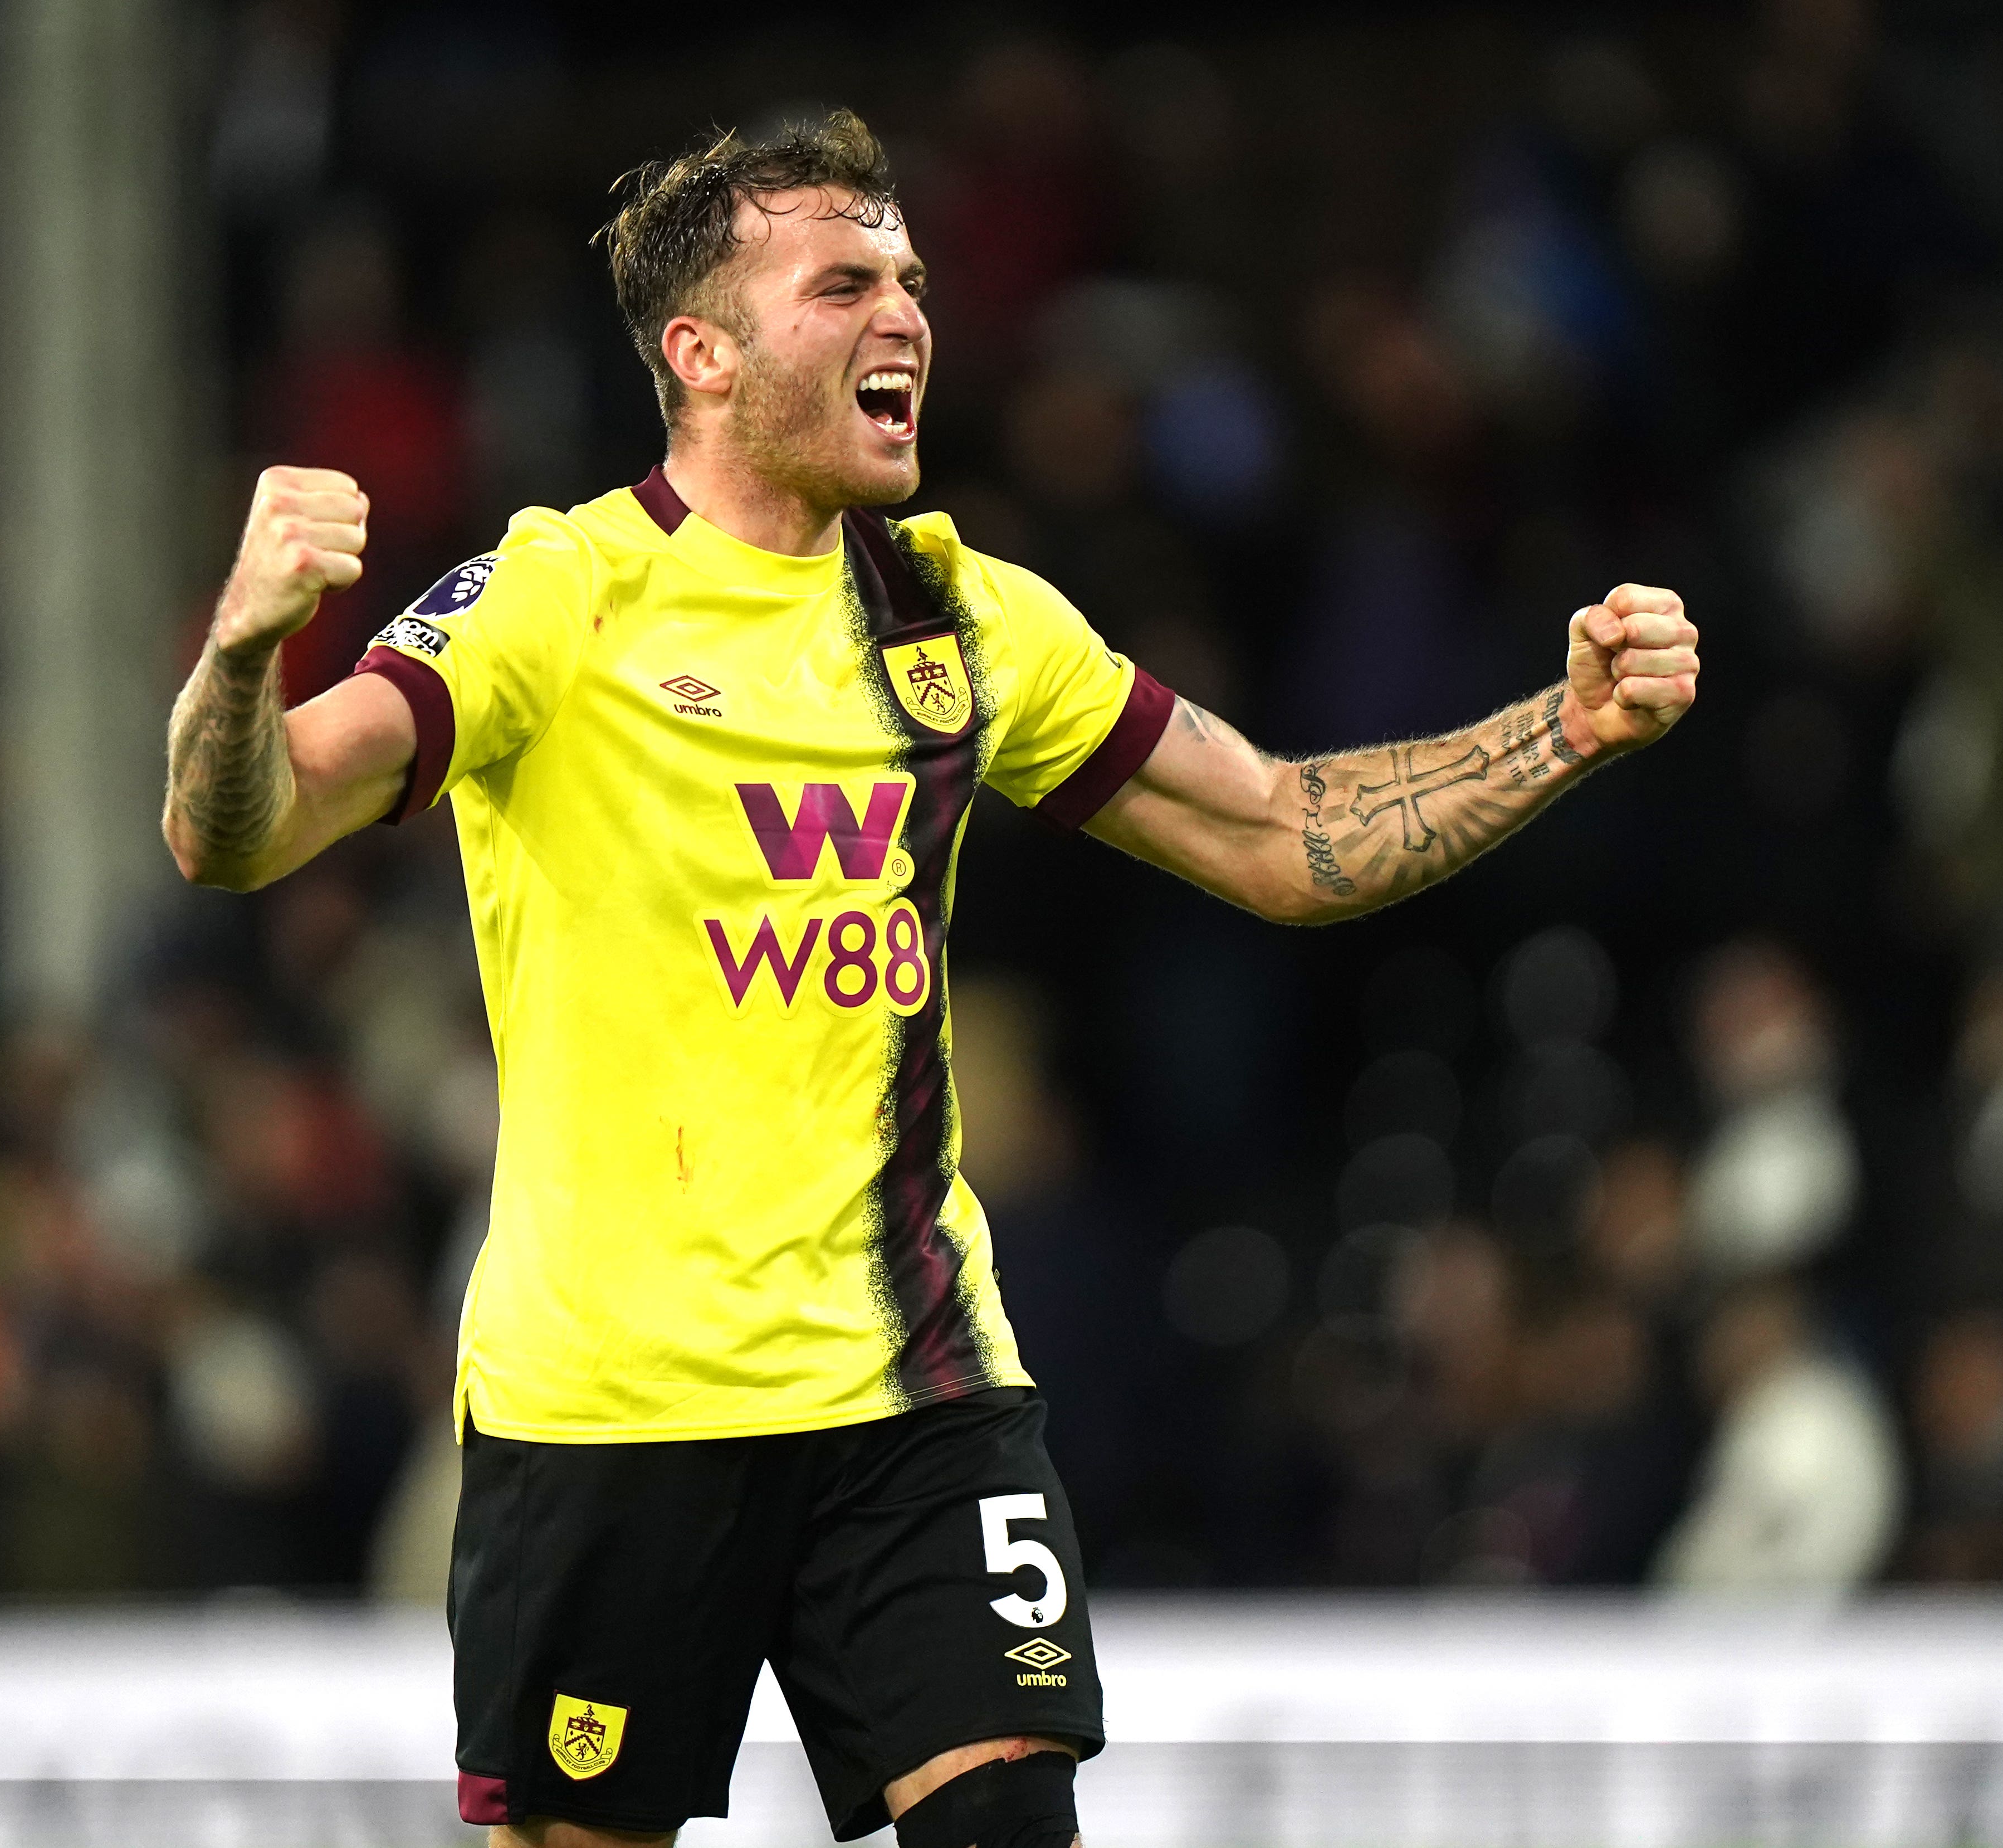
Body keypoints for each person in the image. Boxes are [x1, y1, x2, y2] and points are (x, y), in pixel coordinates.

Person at [164, 110, 1698, 1848]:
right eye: (843, 285)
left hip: (915, 1393)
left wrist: (1559, 733)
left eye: (909, 279)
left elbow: (1281, 831)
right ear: (706, 355)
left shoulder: (968, 621)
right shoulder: (557, 596)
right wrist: (237, 657)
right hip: (612, 1409)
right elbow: (246, 826)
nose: (905, 317)